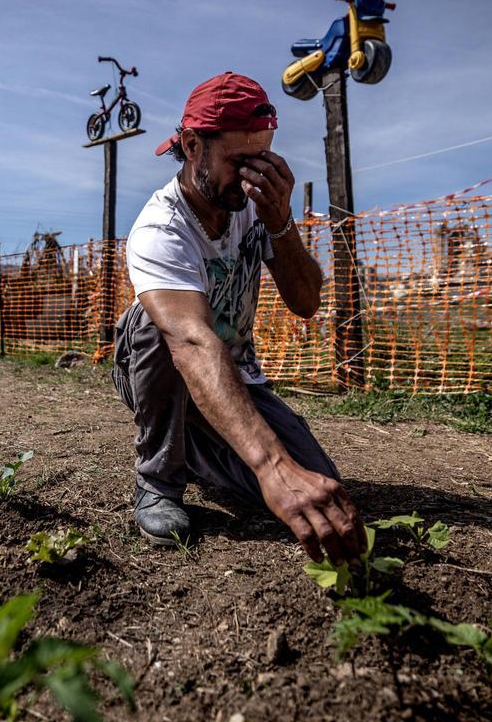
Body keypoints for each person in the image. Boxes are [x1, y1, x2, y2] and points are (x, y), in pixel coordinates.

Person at [111, 72, 367, 566]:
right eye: (237, 161)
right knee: (155, 323)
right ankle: (158, 479)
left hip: (231, 376)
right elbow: (189, 340)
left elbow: (306, 302)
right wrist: (271, 467)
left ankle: (202, 439)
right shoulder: (162, 227)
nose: (253, 177)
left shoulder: (255, 205)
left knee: (315, 480)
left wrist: (281, 221)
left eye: (263, 158)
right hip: (166, 362)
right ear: (191, 145)